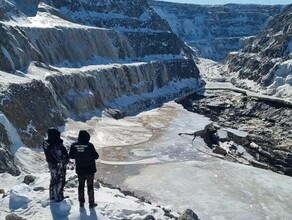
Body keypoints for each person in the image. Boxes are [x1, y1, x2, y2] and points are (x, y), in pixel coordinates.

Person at [69, 130, 99, 208]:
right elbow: (96, 156)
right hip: (90, 170)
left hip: (80, 169)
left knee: (81, 186)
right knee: (90, 186)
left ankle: (81, 203)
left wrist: (79, 155)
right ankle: (91, 203)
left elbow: (71, 156)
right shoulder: (89, 145)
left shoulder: (74, 145)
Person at [43, 128, 69, 202]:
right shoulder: (55, 145)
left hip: (51, 163)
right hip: (58, 165)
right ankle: (59, 197)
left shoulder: (46, 142)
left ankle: (52, 196)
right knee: (60, 180)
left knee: (53, 179)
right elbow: (60, 157)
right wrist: (66, 157)